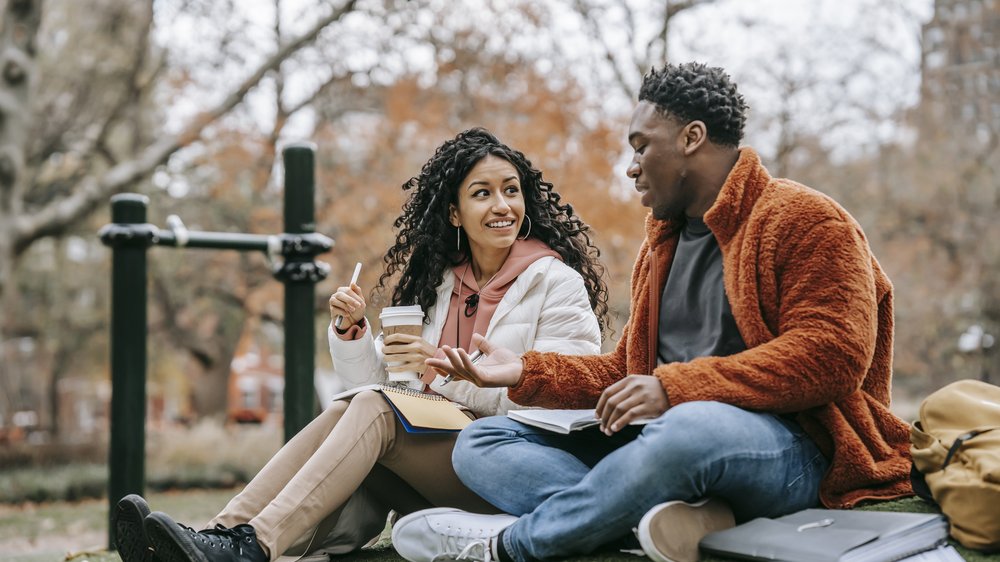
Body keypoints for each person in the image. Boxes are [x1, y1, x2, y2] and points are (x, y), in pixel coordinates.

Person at [391, 63, 914, 562]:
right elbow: (627, 372)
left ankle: (512, 544)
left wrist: (675, 389)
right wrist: (526, 370)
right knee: (482, 441)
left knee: (691, 428)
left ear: (691, 138)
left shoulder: (805, 219)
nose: (631, 165)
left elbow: (833, 354)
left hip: (792, 450)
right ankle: (656, 520)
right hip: (659, 442)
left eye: (642, 146)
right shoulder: (661, 245)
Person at [112, 127, 609, 562]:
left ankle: (251, 546)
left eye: (511, 191)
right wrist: (353, 335)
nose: (502, 205)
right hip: (438, 465)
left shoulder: (554, 282)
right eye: (482, 193)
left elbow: (562, 400)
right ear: (455, 213)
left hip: (504, 468)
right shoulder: (439, 286)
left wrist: (456, 378)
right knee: (348, 409)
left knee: (374, 407)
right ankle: (218, 536)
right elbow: (383, 399)